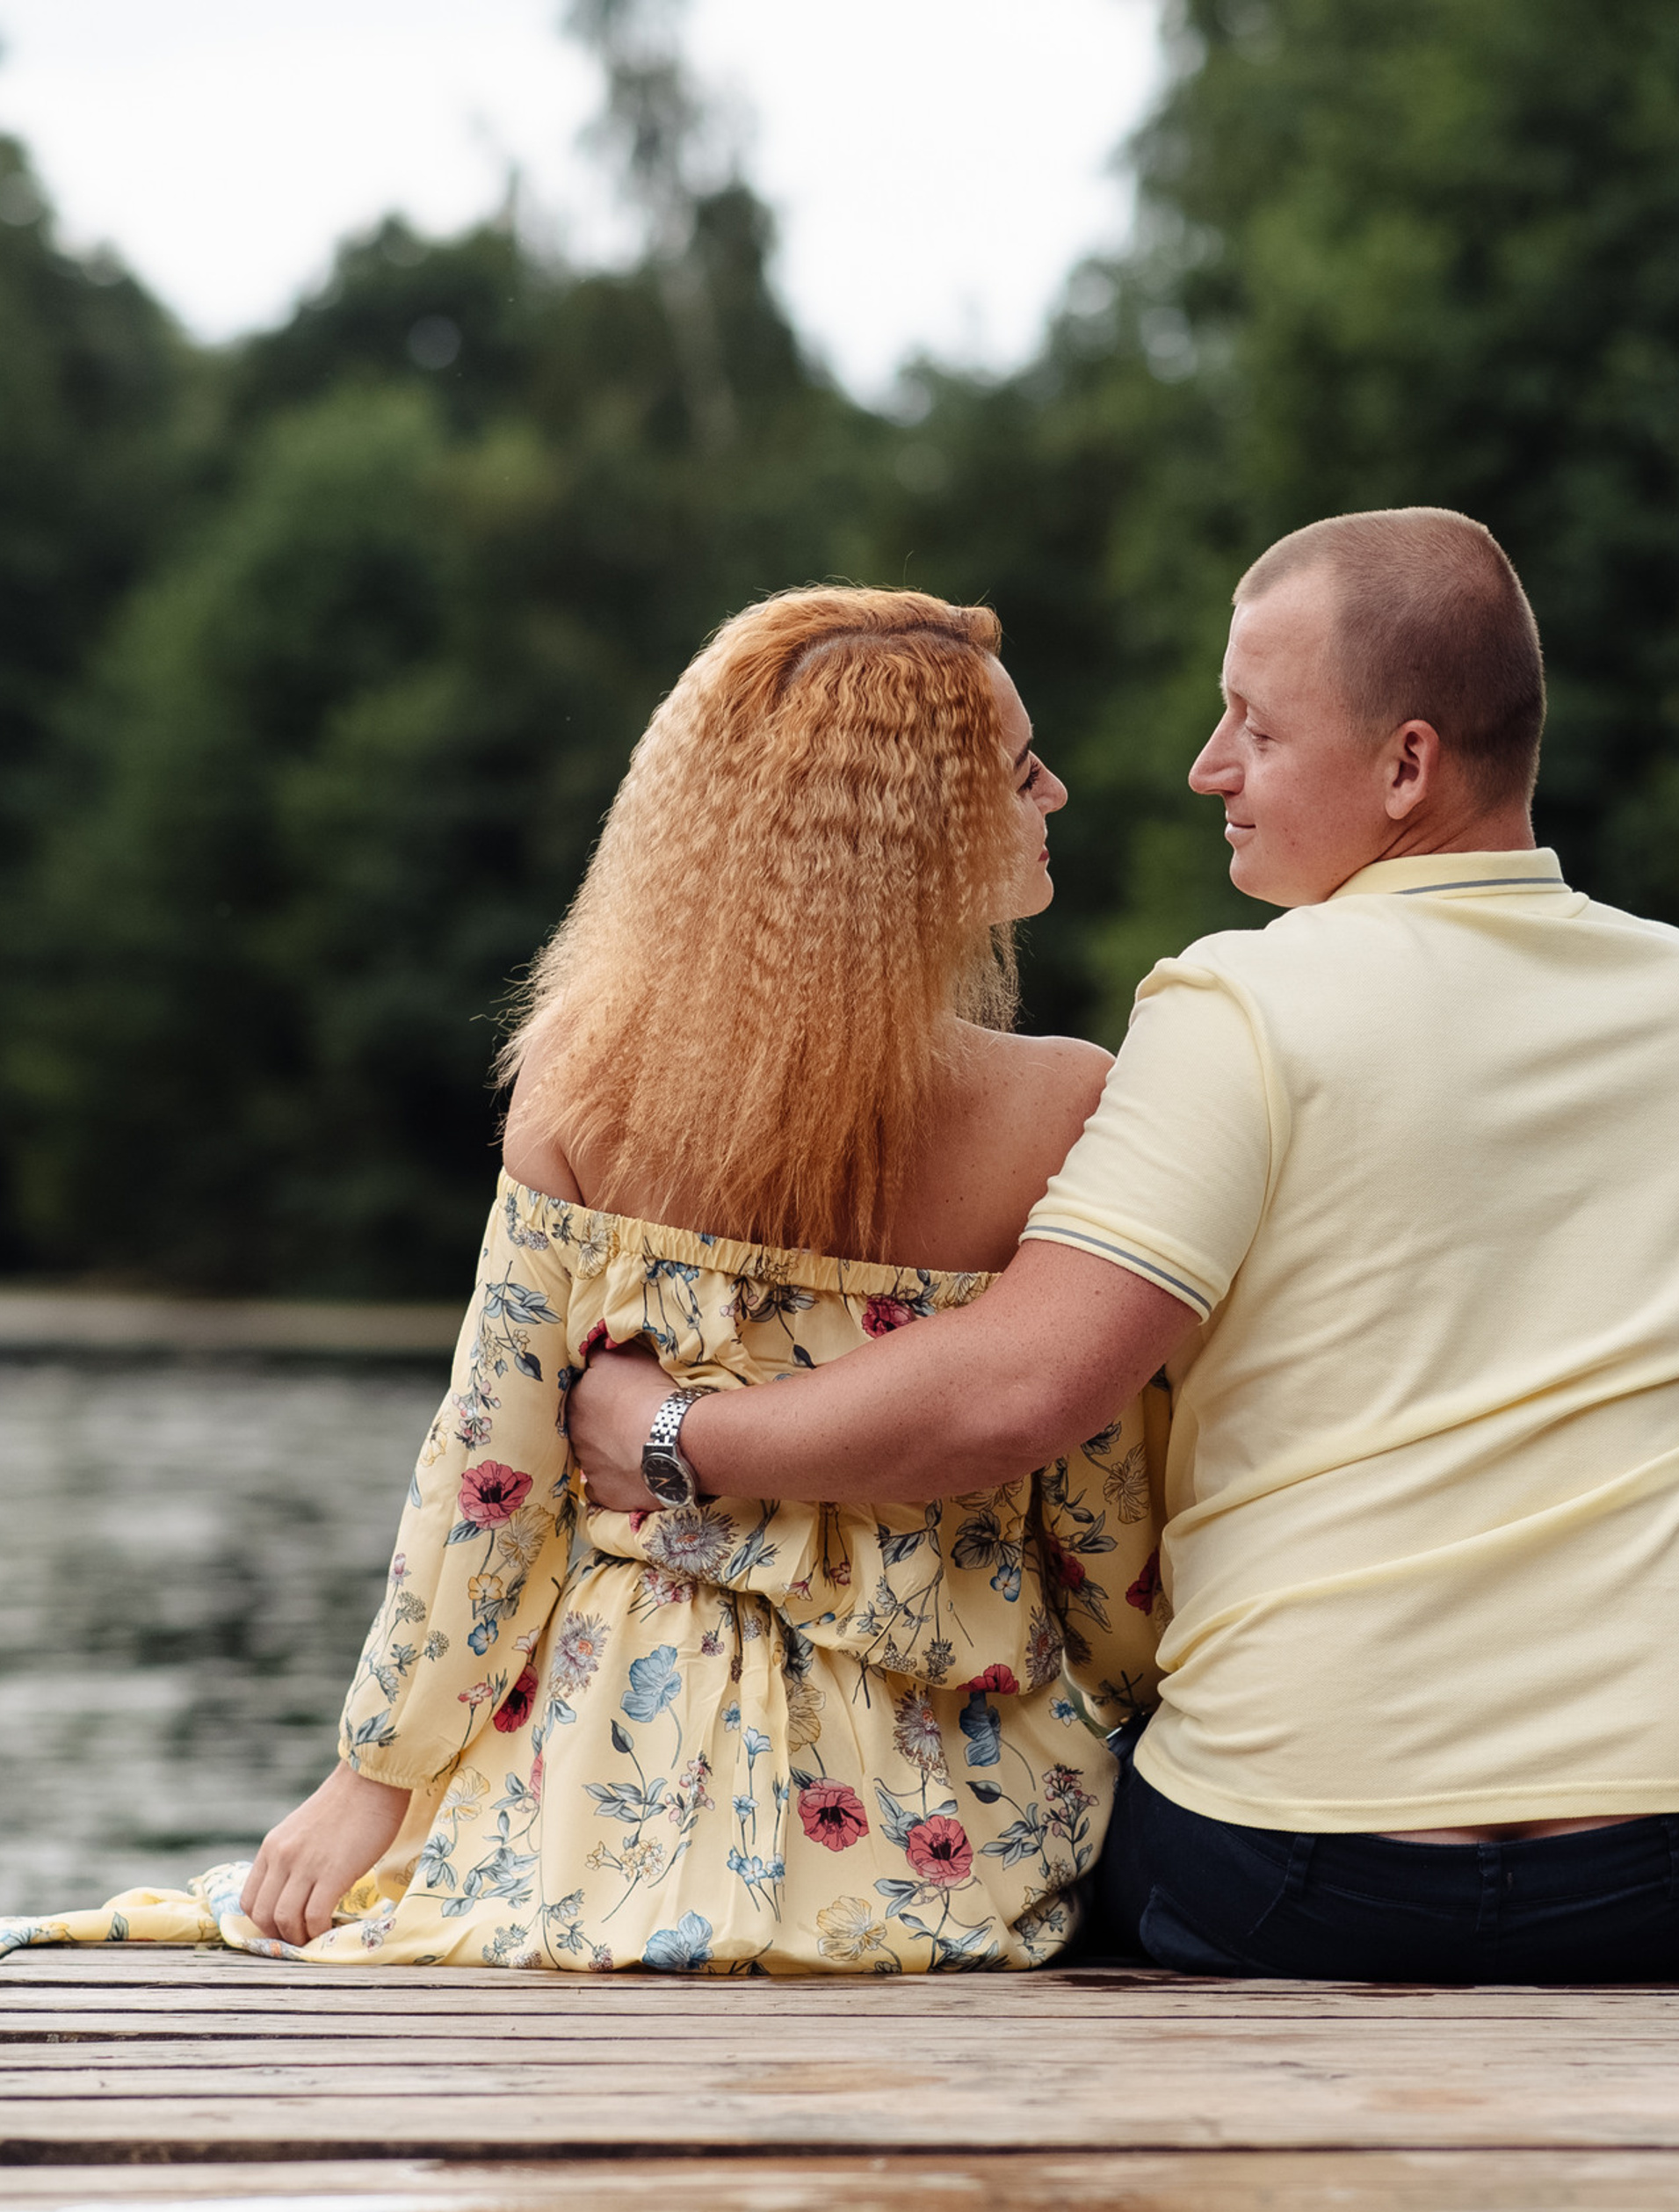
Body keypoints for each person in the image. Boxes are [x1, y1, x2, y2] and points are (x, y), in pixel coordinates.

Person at [570, 507, 1679, 1984]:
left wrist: (677, 1438)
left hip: (1305, 1865)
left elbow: (1020, 1391)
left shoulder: (1242, 1009)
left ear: (1408, 764)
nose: (1207, 767)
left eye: (1254, 723)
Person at [0, 587, 1164, 1976]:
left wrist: (375, 1774)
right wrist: (1132, 1694)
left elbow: (490, 1470)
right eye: (1023, 768)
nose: (1058, 791)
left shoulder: (583, 1077)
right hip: (933, 1771)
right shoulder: (1070, 1106)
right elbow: (1099, 1512)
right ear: (923, 831)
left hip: (611, 1734)